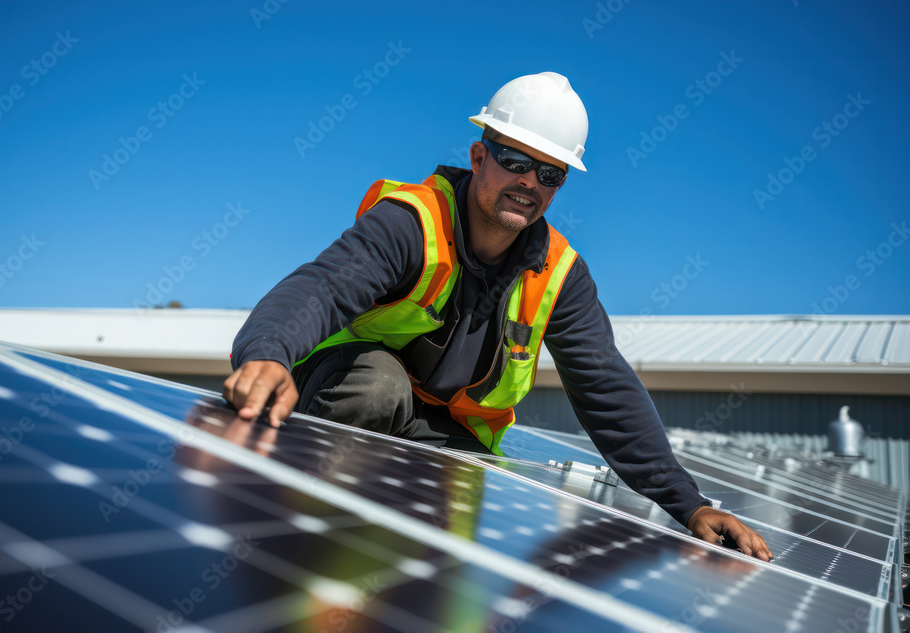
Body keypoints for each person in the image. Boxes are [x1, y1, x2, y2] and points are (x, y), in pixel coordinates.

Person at [223, 72, 772, 561]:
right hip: (347, 401)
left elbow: (604, 384)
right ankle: (300, 540)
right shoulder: (412, 223)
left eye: (550, 174)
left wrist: (689, 503)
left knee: (431, 578)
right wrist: (268, 353)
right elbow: (321, 288)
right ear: (479, 157)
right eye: (514, 161)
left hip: (450, 441)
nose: (529, 183)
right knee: (378, 384)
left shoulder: (559, 275)